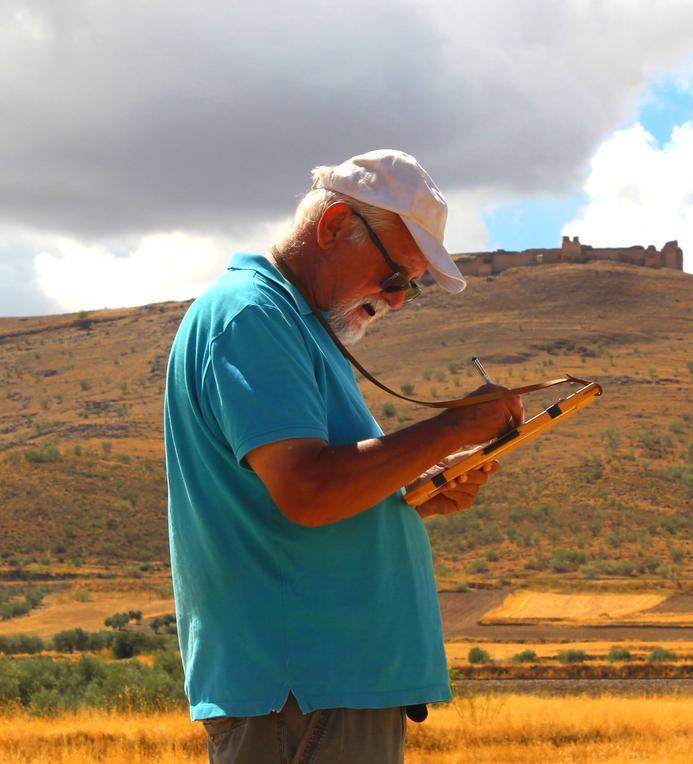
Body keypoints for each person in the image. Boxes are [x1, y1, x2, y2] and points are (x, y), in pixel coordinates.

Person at [163, 149, 522, 763]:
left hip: (323, 694)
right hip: (302, 695)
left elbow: (316, 488)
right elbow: (309, 490)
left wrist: (416, 487)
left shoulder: (292, 324)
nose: (400, 299)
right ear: (332, 226)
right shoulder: (254, 316)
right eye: (396, 277)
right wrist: (445, 431)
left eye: (409, 286)